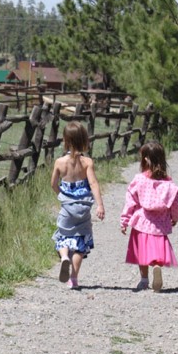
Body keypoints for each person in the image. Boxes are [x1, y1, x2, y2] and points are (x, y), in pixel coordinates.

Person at [120, 141, 178, 292]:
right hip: (160, 223)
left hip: (142, 221)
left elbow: (130, 201)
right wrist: (175, 217)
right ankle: (156, 266)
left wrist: (125, 220)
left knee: (142, 252)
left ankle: (144, 279)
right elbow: (176, 203)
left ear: (146, 159)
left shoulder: (139, 179)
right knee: (157, 252)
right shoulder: (168, 182)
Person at [50, 121, 105, 289]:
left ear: (65, 140)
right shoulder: (87, 162)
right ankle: (73, 279)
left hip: (67, 209)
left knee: (63, 237)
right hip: (83, 210)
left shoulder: (59, 162)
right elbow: (94, 183)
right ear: (84, 141)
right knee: (80, 244)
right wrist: (100, 205)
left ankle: (64, 257)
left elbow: (53, 184)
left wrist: (63, 196)